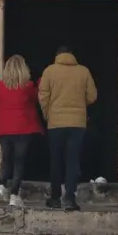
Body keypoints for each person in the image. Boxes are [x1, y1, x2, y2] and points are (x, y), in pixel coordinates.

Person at [38, 44, 97, 211]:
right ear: (72, 55)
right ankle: (70, 198)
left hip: (55, 123)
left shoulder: (49, 71)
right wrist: (79, 102)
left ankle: (55, 197)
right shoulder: (83, 71)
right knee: (72, 161)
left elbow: (43, 96)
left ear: (57, 56)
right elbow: (92, 96)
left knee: (56, 160)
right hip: (77, 124)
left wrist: (47, 114)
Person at [0, 54, 44, 208]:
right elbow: (37, 100)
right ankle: (14, 195)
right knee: (19, 161)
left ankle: (1, 186)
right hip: (23, 128)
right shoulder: (28, 87)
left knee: (6, 159)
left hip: (4, 129)